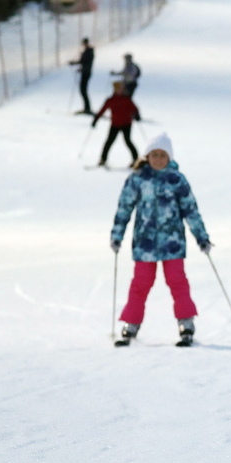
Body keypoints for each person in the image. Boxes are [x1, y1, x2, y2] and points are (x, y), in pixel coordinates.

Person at [110, 133, 212, 347]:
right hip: (145, 243)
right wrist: (117, 235)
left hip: (172, 243)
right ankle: (131, 324)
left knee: (177, 281)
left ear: (169, 157)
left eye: (162, 155)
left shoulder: (177, 179)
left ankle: (186, 323)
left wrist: (201, 237)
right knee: (140, 283)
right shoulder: (137, 179)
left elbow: (190, 210)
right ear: (147, 156)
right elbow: (124, 207)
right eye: (154, 155)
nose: (158, 159)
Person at [92, 81, 141, 167]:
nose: (120, 90)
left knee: (128, 141)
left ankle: (136, 160)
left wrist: (137, 115)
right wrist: (96, 119)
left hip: (126, 124)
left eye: (121, 89)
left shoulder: (127, 99)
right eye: (118, 89)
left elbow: (134, 108)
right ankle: (103, 159)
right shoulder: (110, 100)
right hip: (115, 124)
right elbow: (102, 110)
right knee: (109, 141)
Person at [68, 37, 94, 115]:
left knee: (83, 90)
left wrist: (74, 63)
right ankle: (86, 107)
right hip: (85, 72)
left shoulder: (89, 51)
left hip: (86, 72)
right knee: (83, 90)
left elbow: (84, 61)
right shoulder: (87, 51)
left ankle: (87, 108)